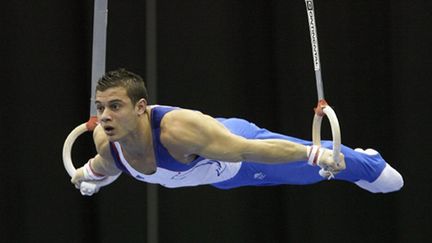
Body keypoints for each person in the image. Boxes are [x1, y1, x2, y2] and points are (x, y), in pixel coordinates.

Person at [71, 68, 403, 194]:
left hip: (237, 151)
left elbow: (247, 150)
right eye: (100, 108)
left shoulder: (178, 133)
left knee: (313, 168)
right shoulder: (106, 142)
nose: (105, 116)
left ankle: (368, 164)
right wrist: (89, 176)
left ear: (141, 107)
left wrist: (311, 153)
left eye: (115, 106)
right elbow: (105, 167)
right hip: (219, 176)